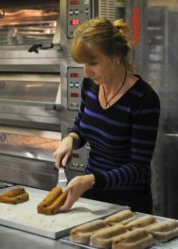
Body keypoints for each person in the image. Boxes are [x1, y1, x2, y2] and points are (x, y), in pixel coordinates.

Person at [53, 17, 160, 214]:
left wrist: (92, 180)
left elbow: (139, 168)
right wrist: (70, 139)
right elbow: (81, 128)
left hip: (128, 205)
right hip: (92, 197)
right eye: (83, 64)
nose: (86, 73)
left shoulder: (144, 100)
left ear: (116, 55)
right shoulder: (91, 86)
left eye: (93, 63)